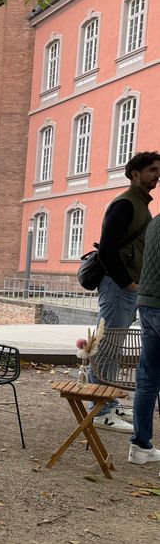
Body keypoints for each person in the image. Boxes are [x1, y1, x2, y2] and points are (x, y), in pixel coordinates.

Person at [88, 151, 160, 433]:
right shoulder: (126, 204)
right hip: (119, 286)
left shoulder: (141, 204)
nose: (157, 175)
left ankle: (108, 404)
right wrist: (126, 283)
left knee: (112, 346)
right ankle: (101, 411)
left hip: (128, 286)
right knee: (107, 346)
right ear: (135, 174)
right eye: (152, 170)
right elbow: (106, 249)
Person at [128, 153, 160, 468]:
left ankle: (141, 445)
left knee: (148, 378)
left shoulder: (155, 222)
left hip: (148, 306)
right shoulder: (132, 207)